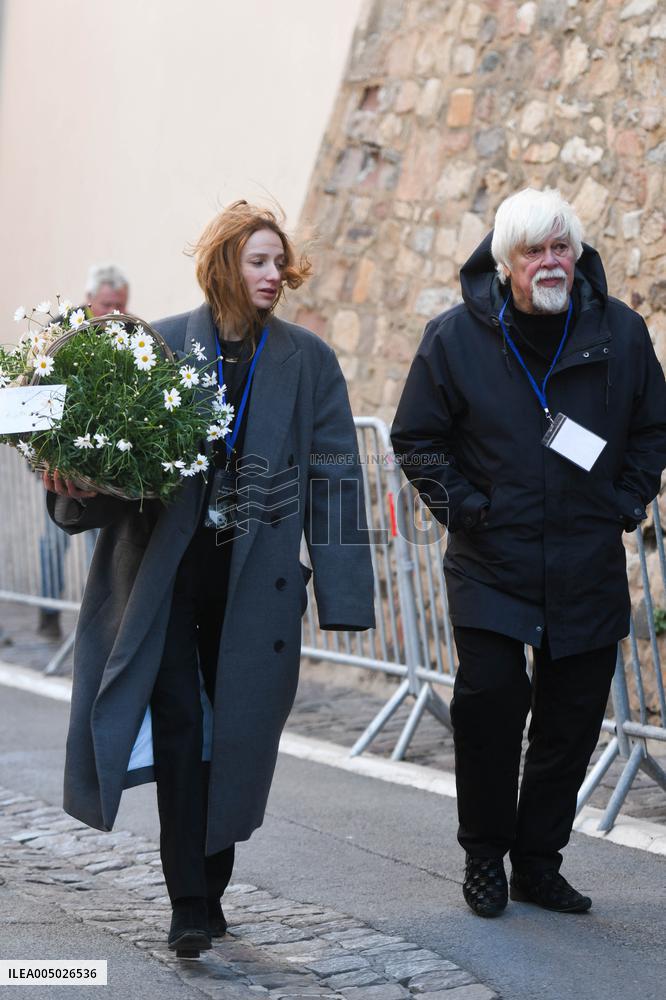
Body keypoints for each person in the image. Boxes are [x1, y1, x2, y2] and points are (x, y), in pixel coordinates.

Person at [43, 201, 375, 956]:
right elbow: (96, 459)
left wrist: (344, 591)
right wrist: (70, 483)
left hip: (253, 586)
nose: (273, 275)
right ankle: (189, 902)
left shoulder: (307, 360)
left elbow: (333, 477)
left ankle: (210, 884)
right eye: (257, 261)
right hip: (162, 582)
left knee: (235, 737)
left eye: (277, 262)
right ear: (224, 265)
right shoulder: (158, 345)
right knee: (185, 734)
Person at [391, 187, 666, 918]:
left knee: (570, 722)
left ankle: (539, 861)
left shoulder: (621, 332)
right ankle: (484, 857)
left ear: (576, 255)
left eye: (560, 247)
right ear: (505, 262)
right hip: (492, 560)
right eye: (533, 251)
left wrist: (625, 498)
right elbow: (416, 440)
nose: (550, 262)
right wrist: (468, 509)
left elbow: (653, 429)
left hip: (585, 560)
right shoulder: (453, 338)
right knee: (490, 706)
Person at [37, 264, 130, 638]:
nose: (115, 314)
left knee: (101, 547)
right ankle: (48, 616)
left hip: (105, 469)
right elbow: (39, 391)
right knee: (54, 541)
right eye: (108, 305)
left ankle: (99, 624)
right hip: (59, 467)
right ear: (90, 300)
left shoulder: (127, 334)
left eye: (121, 305)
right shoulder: (60, 332)